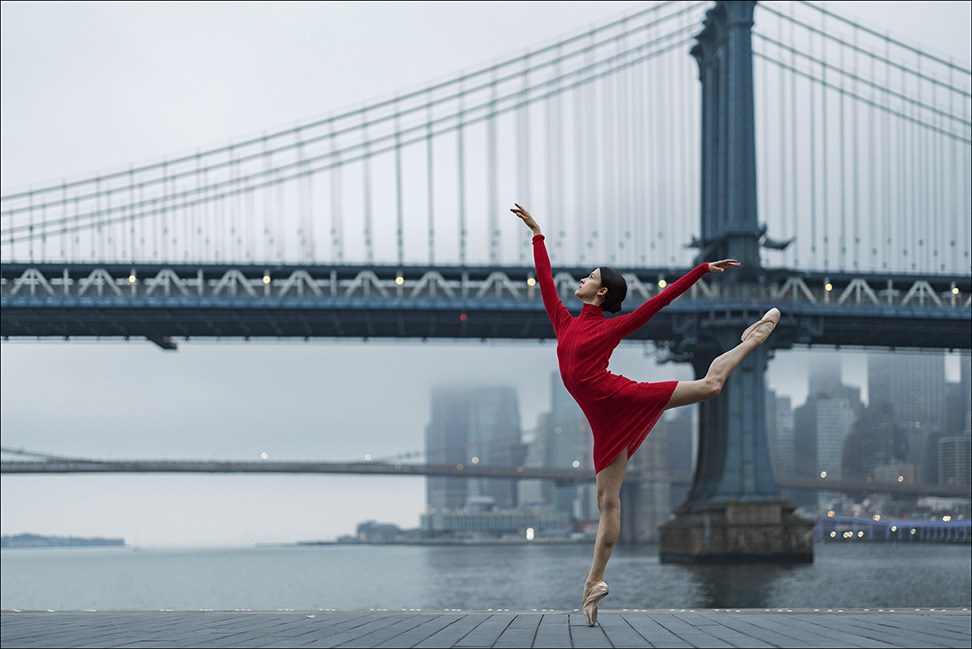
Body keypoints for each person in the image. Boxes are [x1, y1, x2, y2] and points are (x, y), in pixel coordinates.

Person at [511, 203, 779, 626]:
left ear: (600, 293)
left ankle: (750, 340)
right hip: (601, 420)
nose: (581, 279)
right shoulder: (564, 322)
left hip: (622, 398)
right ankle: (593, 585)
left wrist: (701, 270)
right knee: (607, 501)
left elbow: (658, 302)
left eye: (590, 277)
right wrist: (537, 234)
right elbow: (544, 279)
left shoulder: (607, 328)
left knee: (710, 387)